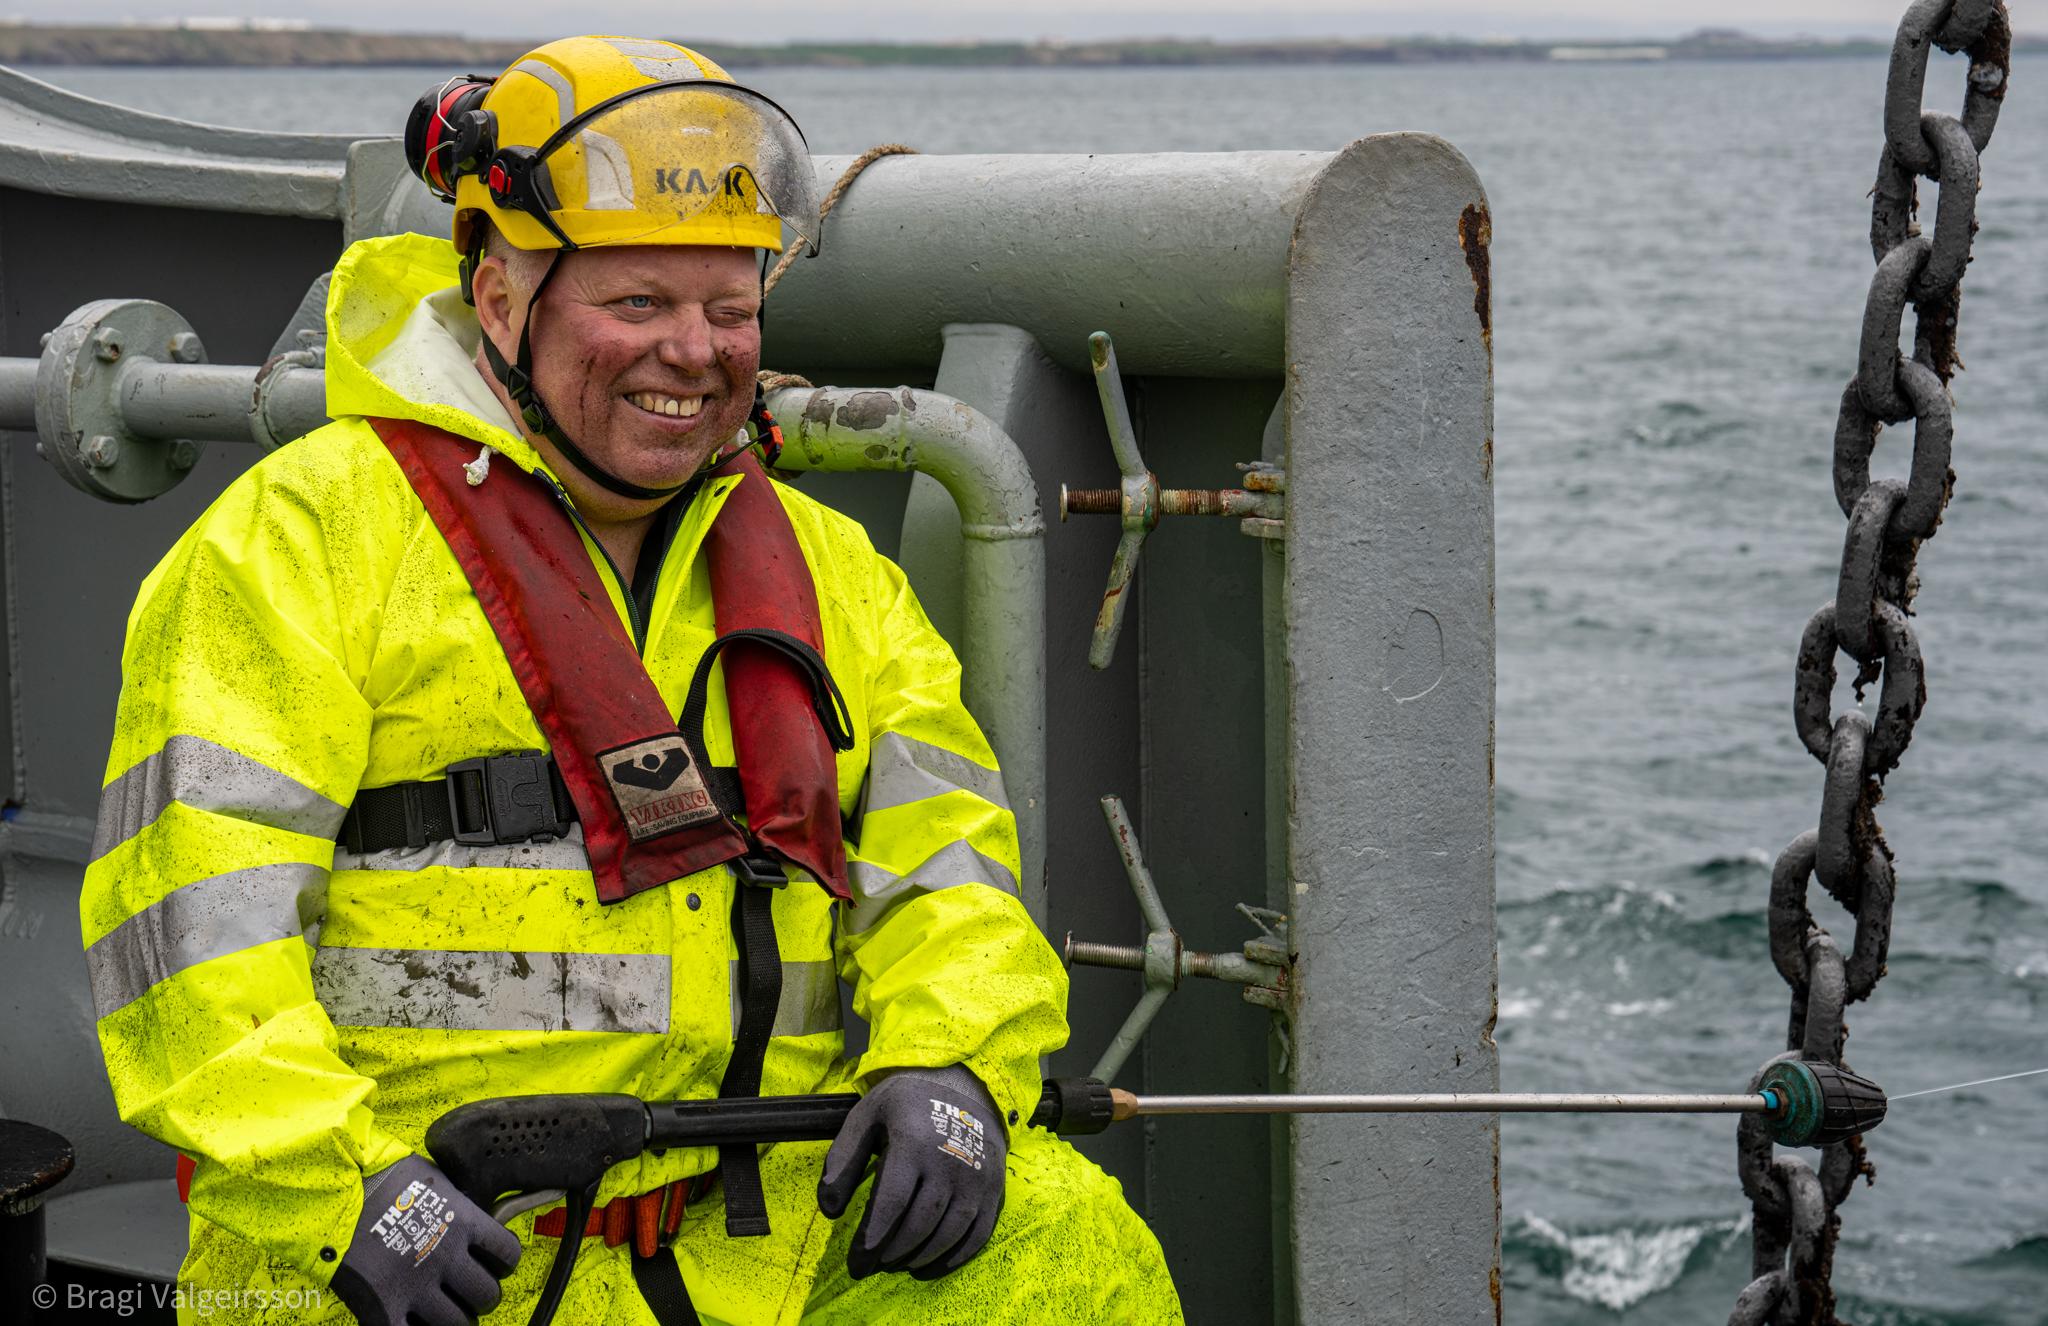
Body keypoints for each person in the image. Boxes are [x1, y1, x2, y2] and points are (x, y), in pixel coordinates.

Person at [79, 35, 1181, 1325]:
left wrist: (952, 1067)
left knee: (1064, 1250)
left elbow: (950, 875)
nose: (695, 354)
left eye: (731, 310)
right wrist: (346, 1195)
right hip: (410, 1247)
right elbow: (188, 935)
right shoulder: (297, 546)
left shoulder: (834, 574)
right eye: (639, 304)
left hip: (772, 1238)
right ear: (501, 302)